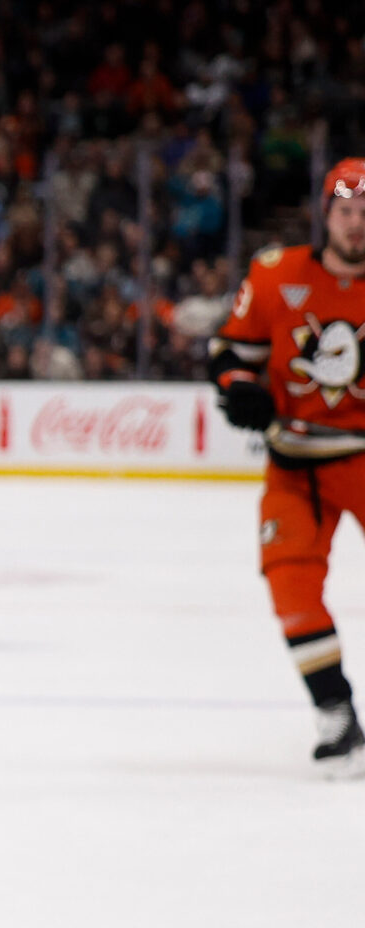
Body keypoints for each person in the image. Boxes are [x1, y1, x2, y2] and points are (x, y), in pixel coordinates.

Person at [211, 156, 365, 775]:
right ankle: (335, 714)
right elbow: (230, 352)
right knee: (290, 585)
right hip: (296, 464)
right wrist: (239, 387)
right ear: (325, 214)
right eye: (347, 211)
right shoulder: (276, 277)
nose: (357, 225)